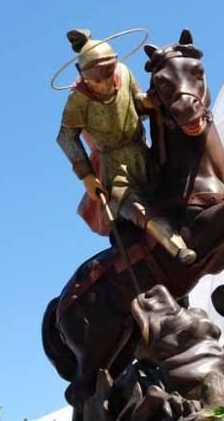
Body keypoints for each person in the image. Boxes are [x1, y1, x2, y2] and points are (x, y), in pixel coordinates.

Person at [56, 28, 196, 264]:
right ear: (84, 75)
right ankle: (176, 247)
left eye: (108, 75)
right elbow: (66, 137)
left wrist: (148, 101)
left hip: (143, 152)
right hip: (115, 166)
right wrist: (88, 176)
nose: (104, 84)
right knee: (131, 205)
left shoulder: (124, 73)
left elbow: (137, 102)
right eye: (97, 80)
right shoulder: (77, 100)